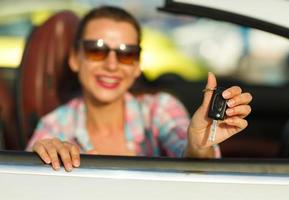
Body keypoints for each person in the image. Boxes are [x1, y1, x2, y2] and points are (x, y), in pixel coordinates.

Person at [26, 5, 252, 171]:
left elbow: (190, 155)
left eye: (126, 54)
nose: (112, 65)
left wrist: (199, 144)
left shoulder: (161, 108)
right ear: (75, 59)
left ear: (137, 66)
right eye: (96, 50)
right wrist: (43, 158)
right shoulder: (54, 125)